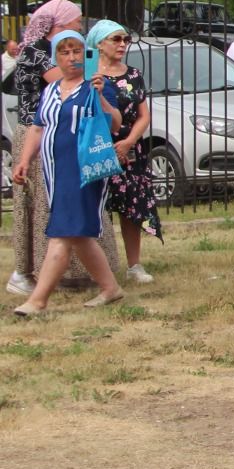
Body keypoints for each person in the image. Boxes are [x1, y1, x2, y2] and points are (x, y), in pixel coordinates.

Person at [7, 0, 121, 297]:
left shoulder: (91, 80)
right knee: (50, 213)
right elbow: (40, 120)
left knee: (70, 223)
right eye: (76, 20)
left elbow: (110, 119)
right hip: (47, 139)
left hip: (78, 146)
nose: (80, 25)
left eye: (76, 50)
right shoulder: (39, 56)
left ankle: (82, 283)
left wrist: (98, 85)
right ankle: (37, 280)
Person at [87, 20, 161, 283]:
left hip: (129, 149)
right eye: (115, 39)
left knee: (131, 207)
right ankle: (98, 265)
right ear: (99, 44)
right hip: (97, 146)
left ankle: (134, 265)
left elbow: (143, 115)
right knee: (96, 206)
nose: (122, 45)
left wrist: (129, 141)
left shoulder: (133, 74)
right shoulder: (88, 74)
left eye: (125, 40)